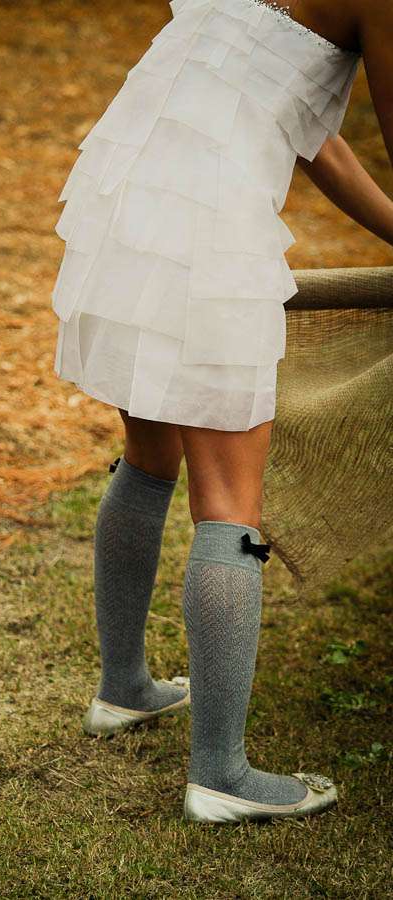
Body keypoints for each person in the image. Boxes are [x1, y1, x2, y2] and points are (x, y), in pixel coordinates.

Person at [50, 0, 393, 823]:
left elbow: (313, 134)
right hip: (205, 225)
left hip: (124, 197)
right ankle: (220, 776)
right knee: (230, 500)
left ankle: (124, 689)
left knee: (151, 453)